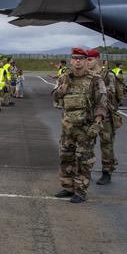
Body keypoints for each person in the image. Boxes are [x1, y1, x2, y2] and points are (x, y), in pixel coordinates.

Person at [53, 47, 107, 203]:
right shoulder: (65, 78)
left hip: (85, 127)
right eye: (75, 58)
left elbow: (102, 103)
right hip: (67, 127)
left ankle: (81, 191)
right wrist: (60, 92)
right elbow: (57, 99)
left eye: (81, 58)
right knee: (65, 157)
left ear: (85, 61)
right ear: (71, 60)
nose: (77, 61)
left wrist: (97, 123)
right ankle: (68, 187)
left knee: (84, 160)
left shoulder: (95, 79)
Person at [86, 49, 119, 185]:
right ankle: (86, 171)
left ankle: (107, 172)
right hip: (89, 115)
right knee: (87, 144)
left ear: (97, 59)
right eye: (86, 59)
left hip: (105, 115)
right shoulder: (86, 75)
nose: (87, 62)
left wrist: (99, 87)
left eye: (90, 60)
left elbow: (112, 94)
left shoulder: (108, 75)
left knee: (106, 145)